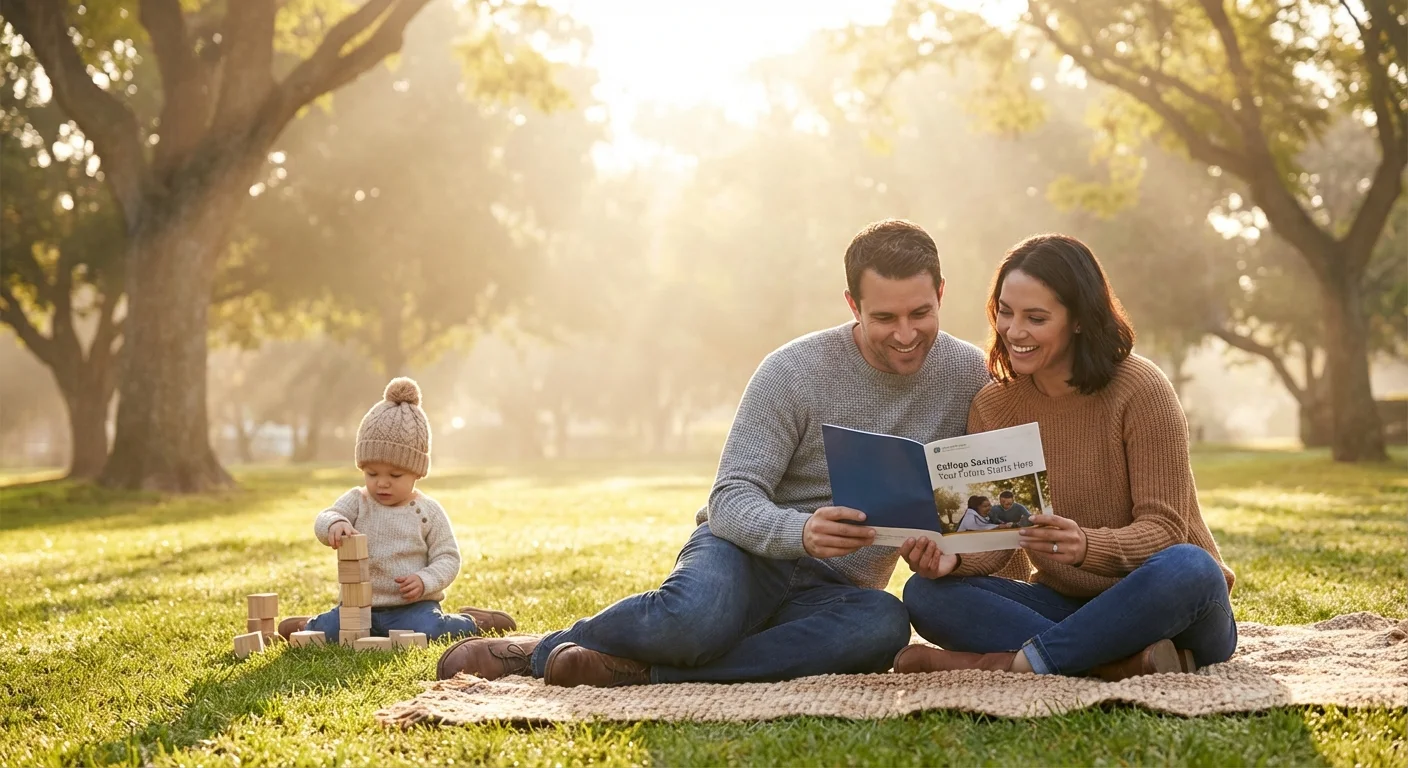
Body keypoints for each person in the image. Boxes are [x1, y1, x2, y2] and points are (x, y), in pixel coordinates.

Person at [436, 219, 990, 687]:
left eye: (920, 314)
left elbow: (978, 507)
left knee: (883, 627)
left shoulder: (969, 375)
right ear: (852, 304)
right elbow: (730, 498)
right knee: (696, 620)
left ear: (941, 292)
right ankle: (542, 651)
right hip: (747, 556)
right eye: (885, 319)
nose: (905, 334)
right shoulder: (792, 371)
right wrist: (800, 532)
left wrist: (950, 554)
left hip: (840, 590)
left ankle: (647, 674)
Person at [893, 234, 1236, 681]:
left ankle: (1018, 663)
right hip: (1063, 603)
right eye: (1005, 312)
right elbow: (999, 538)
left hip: (1169, 603)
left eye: (1036, 318)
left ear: (1078, 319)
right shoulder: (994, 406)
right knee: (925, 593)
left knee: (1192, 567)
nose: (1014, 331)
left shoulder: (1141, 390)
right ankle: (1114, 662)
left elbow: (1166, 532)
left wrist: (1086, 547)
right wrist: (953, 560)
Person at [278, 378, 517, 642]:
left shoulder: (427, 512)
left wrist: (424, 580)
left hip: (412, 607)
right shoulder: (358, 501)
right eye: (372, 473)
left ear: (417, 473)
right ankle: (309, 625)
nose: (381, 482)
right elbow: (325, 517)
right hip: (359, 608)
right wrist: (334, 524)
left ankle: (473, 622)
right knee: (333, 630)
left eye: (394, 474)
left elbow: (448, 557)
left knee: (429, 629)